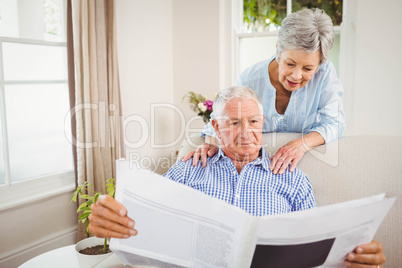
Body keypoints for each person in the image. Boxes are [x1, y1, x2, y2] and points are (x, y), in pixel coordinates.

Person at [89, 86, 385, 267]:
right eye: (233, 123)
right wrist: (112, 217)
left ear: (262, 123)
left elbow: (319, 249)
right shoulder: (190, 168)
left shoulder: (292, 179)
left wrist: (354, 259)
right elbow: (145, 217)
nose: (246, 132)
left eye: (253, 121)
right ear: (215, 129)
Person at [183, 8, 344, 175]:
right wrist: (211, 142)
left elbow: (335, 123)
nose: (296, 76)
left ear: (319, 65)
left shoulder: (325, 74)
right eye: (290, 64)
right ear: (277, 50)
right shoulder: (251, 78)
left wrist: (301, 144)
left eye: (308, 68)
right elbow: (221, 120)